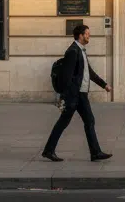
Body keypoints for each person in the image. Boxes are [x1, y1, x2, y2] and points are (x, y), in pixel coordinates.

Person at [42, 23, 113, 162]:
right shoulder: (73, 51)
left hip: (81, 94)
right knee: (66, 122)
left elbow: (89, 73)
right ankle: (49, 150)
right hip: (75, 95)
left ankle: (95, 152)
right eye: (87, 33)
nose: (88, 36)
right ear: (80, 35)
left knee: (88, 121)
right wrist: (65, 96)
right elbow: (66, 76)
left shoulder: (80, 50)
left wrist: (104, 85)